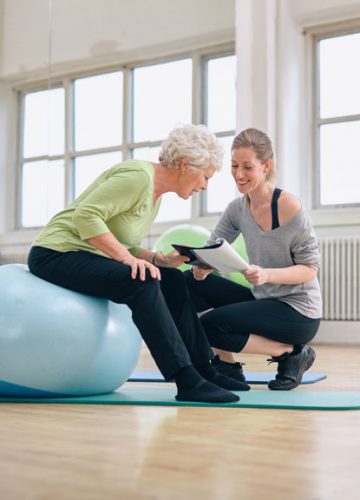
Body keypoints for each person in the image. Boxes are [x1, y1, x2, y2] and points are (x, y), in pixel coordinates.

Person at [28, 124, 251, 404]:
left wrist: (160, 260)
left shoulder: (154, 195)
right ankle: (186, 379)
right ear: (185, 165)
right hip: (55, 253)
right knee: (142, 281)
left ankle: (205, 369)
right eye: (205, 177)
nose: (205, 185)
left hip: (84, 253)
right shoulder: (138, 177)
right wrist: (127, 259)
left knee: (171, 277)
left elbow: (121, 240)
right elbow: (86, 217)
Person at [185, 128, 322, 390]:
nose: (239, 174)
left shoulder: (289, 207)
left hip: (298, 311)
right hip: (264, 299)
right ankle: (226, 365)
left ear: (265, 166)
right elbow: (211, 247)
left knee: (211, 325)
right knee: (188, 282)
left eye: (247, 167)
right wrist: (202, 265)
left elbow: (309, 269)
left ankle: (291, 353)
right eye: (235, 166)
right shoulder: (238, 208)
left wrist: (267, 274)